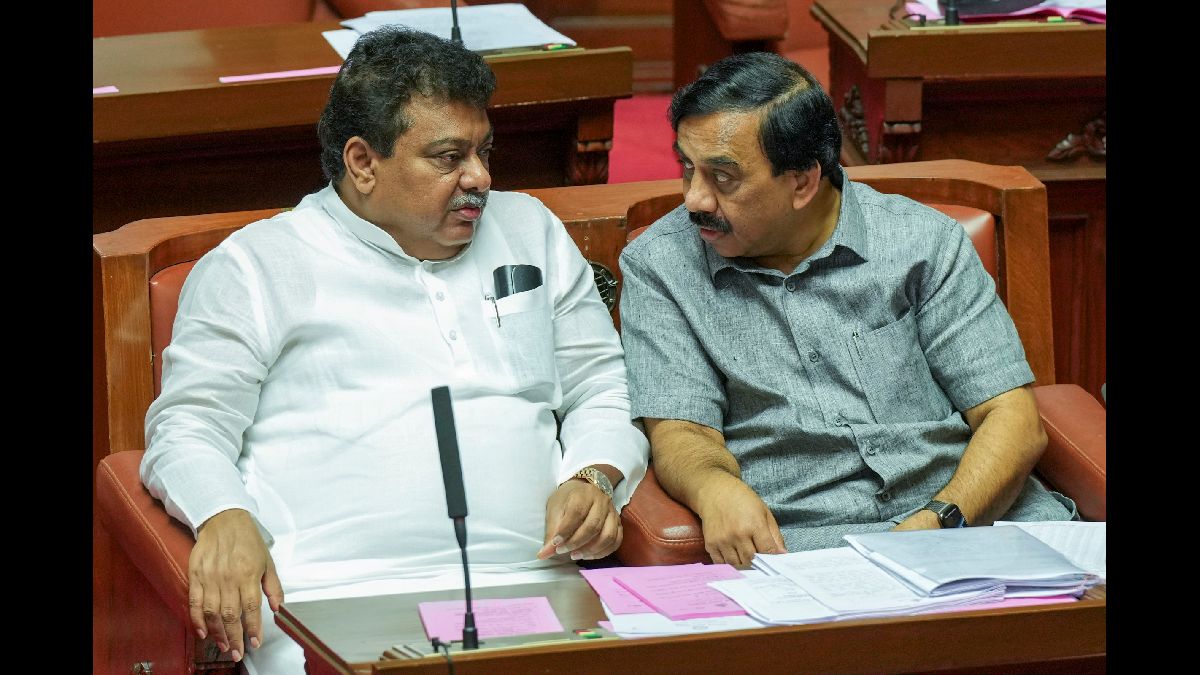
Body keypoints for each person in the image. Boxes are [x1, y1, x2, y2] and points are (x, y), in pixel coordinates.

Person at [141, 26, 648, 673]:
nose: (481, 177)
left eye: (484, 150)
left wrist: (595, 473)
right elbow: (187, 426)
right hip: (333, 602)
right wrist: (223, 514)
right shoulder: (257, 265)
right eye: (448, 157)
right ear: (362, 162)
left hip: (535, 590)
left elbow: (602, 384)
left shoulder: (531, 230)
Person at [617, 52, 1074, 566]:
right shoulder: (662, 265)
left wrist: (937, 524)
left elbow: (1011, 416)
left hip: (969, 522)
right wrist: (713, 487)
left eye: (723, 177)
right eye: (687, 168)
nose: (695, 199)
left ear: (802, 182)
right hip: (807, 546)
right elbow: (682, 429)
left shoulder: (922, 241)